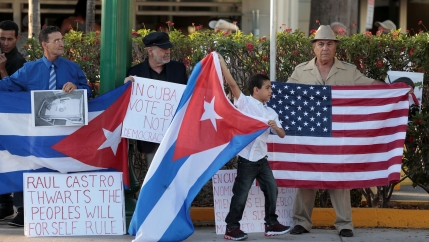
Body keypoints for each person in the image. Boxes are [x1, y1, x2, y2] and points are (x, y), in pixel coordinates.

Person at [287, 25, 387, 238]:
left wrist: (394, 91)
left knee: (340, 179)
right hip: (309, 134)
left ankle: (344, 224)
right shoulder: (300, 71)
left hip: (338, 135)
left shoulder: (348, 71)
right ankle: (301, 222)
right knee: (306, 177)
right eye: (321, 43)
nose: (325, 48)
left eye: (329, 44)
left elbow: (370, 87)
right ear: (314, 47)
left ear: (335, 47)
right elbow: (287, 98)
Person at [0, 26, 91, 226]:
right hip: (36, 132)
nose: (61, 43)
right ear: (44, 44)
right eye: (56, 40)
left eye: (61, 39)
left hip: (65, 133)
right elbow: (6, 86)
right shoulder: (29, 69)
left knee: (61, 167)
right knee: (30, 166)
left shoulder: (72, 68)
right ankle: (25, 211)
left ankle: (59, 209)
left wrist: (77, 88)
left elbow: (87, 91)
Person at [218, 54, 291, 241]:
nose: (271, 91)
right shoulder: (245, 103)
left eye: (271, 88)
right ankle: (231, 228)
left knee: (272, 189)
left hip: (261, 158)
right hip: (247, 159)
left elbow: (282, 134)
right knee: (241, 194)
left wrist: (276, 128)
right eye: (267, 88)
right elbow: (233, 85)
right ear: (256, 90)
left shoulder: (270, 111)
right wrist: (222, 64)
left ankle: (271, 223)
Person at [124, 31, 187, 165]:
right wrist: (127, 87)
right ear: (150, 51)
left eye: (168, 48)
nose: (167, 52)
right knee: (153, 176)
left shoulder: (179, 69)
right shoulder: (135, 73)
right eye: (163, 49)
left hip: (175, 135)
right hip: (150, 138)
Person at [0, 19, 26, 224]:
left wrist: (2, 70)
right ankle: (4, 205)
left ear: (17, 38)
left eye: (10, 39)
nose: (6, 42)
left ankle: (20, 208)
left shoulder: (18, 61)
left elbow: (16, 92)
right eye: (2, 38)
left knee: (13, 161)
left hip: (10, 120)